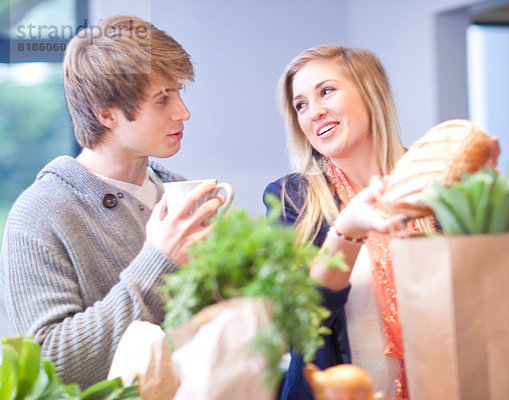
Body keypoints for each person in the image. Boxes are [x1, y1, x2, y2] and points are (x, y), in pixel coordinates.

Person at [0, 15, 224, 389]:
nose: (182, 112)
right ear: (105, 114)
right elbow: (48, 368)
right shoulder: (39, 215)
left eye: (179, 92)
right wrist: (160, 262)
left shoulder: (180, 191)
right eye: (162, 99)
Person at [263, 45, 436, 400]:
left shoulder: (434, 180)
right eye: (301, 105)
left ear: (371, 93)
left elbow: (505, 288)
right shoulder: (293, 198)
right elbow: (299, 322)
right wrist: (345, 232)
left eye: (326, 91)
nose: (314, 112)